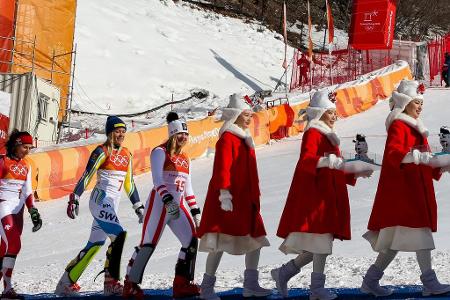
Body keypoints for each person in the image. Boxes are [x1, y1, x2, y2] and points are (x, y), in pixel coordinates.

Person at [271, 89, 370, 300]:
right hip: (316, 197)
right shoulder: (313, 133)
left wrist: (356, 172)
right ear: (320, 113)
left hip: (328, 195)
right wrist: (327, 162)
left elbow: (336, 167)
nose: (335, 115)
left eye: (335, 112)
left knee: (320, 244)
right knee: (322, 243)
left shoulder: (329, 137)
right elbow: (306, 160)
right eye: (331, 112)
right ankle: (316, 289)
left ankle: (284, 272)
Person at [360, 79, 450, 297]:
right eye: (416, 102)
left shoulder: (415, 128)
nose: (420, 106)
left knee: (392, 243)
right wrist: (417, 156)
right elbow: (393, 155)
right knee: (421, 236)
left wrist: (441, 165)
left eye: (421, 103)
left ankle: (370, 281)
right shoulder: (399, 125)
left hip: (412, 191)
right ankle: (429, 282)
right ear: (406, 102)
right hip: (406, 195)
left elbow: (424, 160)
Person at [55, 116, 144, 297]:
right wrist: (75, 198)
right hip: (100, 200)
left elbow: (130, 184)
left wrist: (138, 206)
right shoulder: (102, 151)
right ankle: (111, 283)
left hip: (111, 205)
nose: (121, 134)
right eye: (117, 131)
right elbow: (87, 176)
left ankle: (65, 283)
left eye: (123, 131)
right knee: (118, 236)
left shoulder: (127, 154)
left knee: (95, 244)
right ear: (109, 132)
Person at [197, 93, 271, 300]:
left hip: (246, 199)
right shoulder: (228, 139)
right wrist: (224, 195)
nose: (249, 119)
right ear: (235, 115)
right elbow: (223, 169)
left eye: (250, 116)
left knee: (256, 239)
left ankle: (251, 284)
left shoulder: (245, 139)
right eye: (246, 115)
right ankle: (207, 288)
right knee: (219, 241)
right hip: (228, 198)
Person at [123, 112, 201, 299]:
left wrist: (196, 211)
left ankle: (182, 284)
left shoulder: (185, 158)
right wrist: (167, 200)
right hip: (160, 203)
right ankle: (130, 284)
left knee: (191, 240)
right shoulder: (160, 152)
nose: (184, 137)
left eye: (186, 134)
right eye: (180, 134)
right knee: (148, 244)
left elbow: (187, 187)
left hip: (178, 204)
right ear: (173, 134)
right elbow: (158, 181)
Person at [0, 130, 42, 299]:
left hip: (18, 211)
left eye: (30, 148)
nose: (27, 151)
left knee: (5, 249)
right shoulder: (3, 161)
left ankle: (6, 290)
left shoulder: (26, 165)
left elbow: (27, 192)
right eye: (25, 147)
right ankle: (8, 289)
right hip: (3, 208)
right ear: (17, 145)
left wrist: (33, 211)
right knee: (14, 245)